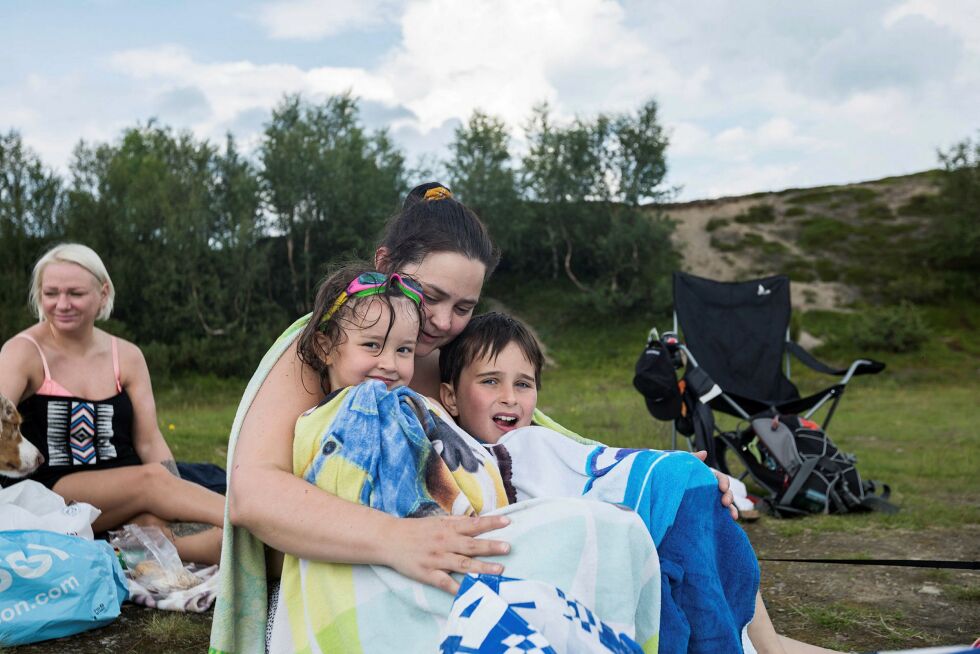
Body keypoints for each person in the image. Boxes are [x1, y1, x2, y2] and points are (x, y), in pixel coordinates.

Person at [216, 183, 830, 654]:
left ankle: (761, 645)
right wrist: (395, 538)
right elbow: (253, 490)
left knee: (673, 497)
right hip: (369, 547)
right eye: (429, 297)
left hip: (466, 534)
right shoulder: (330, 345)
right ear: (383, 262)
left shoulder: (452, 362)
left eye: (465, 306)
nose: (441, 322)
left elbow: (544, 449)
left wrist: (662, 471)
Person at [438, 312, 840, 654]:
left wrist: (668, 473)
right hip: (564, 563)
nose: (510, 397)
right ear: (450, 398)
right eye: (490, 381)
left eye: (523, 384)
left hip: (632, 541)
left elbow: (594, 465)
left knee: (700, 557)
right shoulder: (453, 455)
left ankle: (759, 644)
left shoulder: (533, 440)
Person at [0, 243, 224, 565]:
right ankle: (254, 519)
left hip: (127, 480)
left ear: (103, 293)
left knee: (156, 532)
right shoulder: (23, 352)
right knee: (153, 483)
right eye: (51, 293)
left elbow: (149, 440)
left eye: (75, 293)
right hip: (57, 487)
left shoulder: (127, 356)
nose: (62, 304)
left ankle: (252, 548)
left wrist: (174, 494)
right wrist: (165, 487)